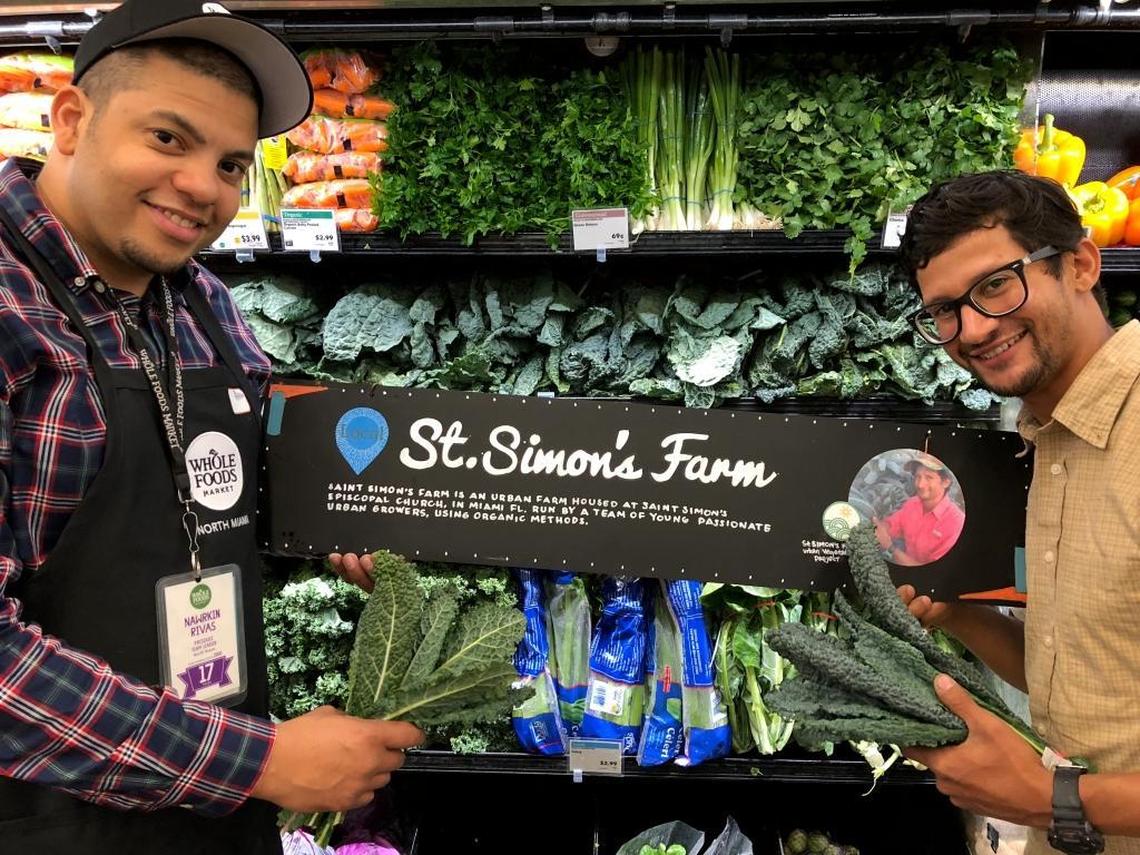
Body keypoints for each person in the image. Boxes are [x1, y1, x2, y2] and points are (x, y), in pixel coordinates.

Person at [0, 2, 420, 852]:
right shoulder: (12, 309)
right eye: (167, 139)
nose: (204, 187)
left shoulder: (204, 305)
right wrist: (256, 762)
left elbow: (218, 486)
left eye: (232, 163)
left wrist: (334, 518)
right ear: (72, 121)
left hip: (208, 812)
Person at [896, 170, 1140, 855]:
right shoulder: (1044, 440)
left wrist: (1048, 797)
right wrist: (959, 614)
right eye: (944, 310)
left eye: (997, 283)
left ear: (1083, 264)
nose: (971, 328)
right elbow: (1086, 671)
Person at [873, 452, 965, 566]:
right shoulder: (912, 503)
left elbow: (932, 571)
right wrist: (877, 528)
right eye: (918, 476)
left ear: (946, 482)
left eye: (928, 477)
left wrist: (890, 547)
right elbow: (893, 525)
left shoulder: (956, 524)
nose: (920, 484)